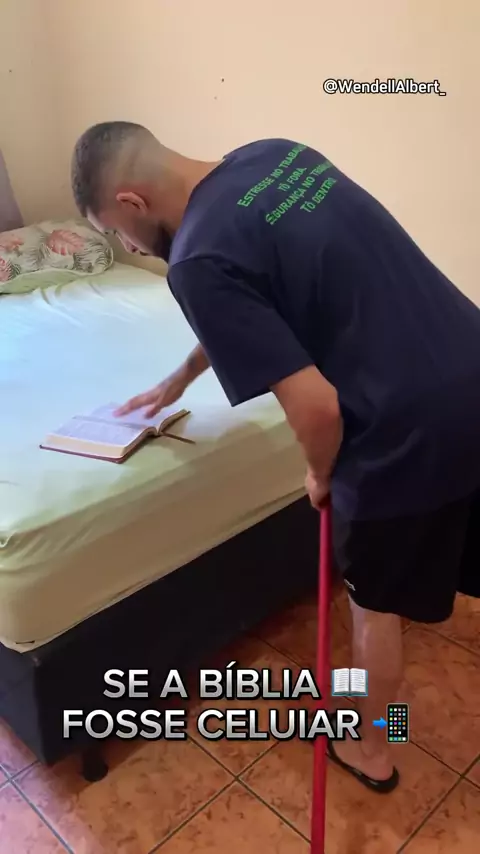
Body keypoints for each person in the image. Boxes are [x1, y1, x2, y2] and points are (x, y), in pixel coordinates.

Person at [71, 122, 480, 793]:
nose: (128, 247)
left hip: (404, 428)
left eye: (117, 233)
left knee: (375, 606)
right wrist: (181, 377)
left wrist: (320, 473)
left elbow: (318, 409)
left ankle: (374, 747)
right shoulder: (277, 157)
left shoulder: (194, 261)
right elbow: (259, 300)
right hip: (469, 360)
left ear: (131, 202)